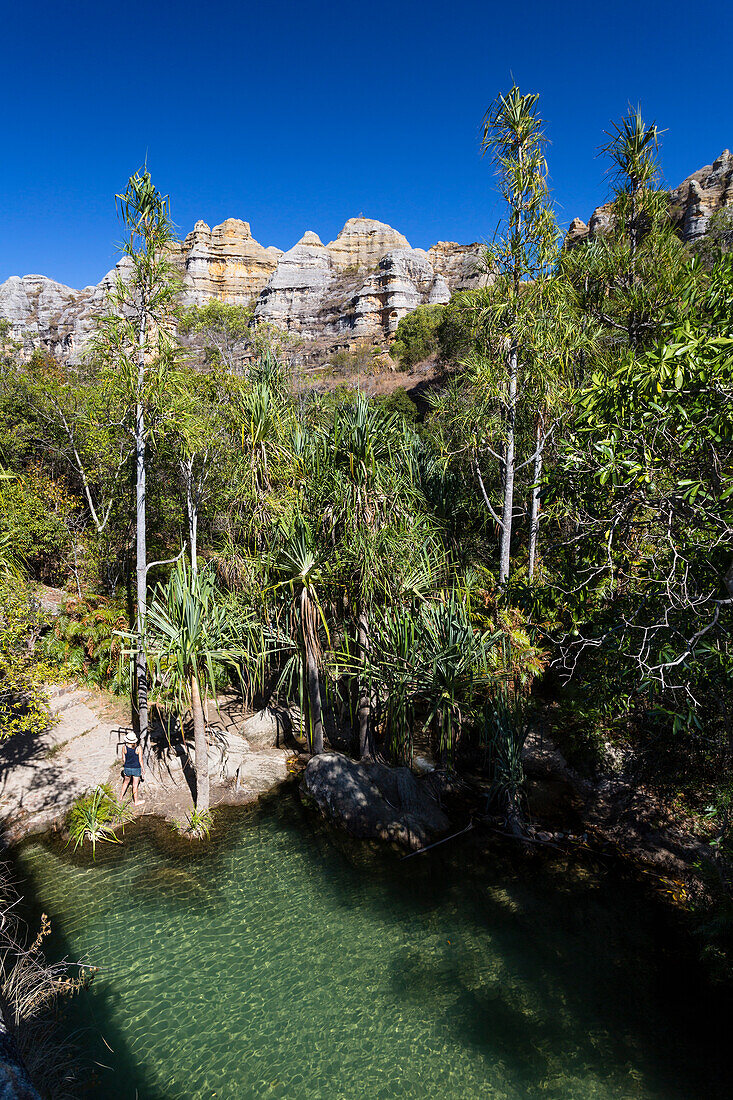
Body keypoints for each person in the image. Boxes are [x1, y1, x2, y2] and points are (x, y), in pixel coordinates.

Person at [121, 731, 145, 805]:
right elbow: (140, 760)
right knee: (135, 785)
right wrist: (143, 768)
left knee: (125, 782)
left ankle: (121, 797)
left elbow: (124, 759)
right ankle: (136, 801)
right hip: (136, 768)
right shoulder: (138, 748)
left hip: (127, 768)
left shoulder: (124, 748)